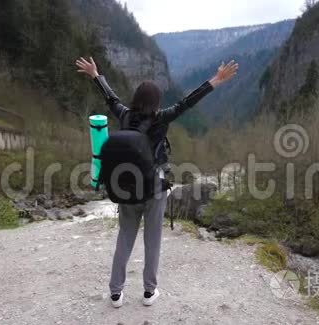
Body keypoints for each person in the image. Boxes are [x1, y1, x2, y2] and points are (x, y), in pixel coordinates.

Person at [75, 57, 239, 308]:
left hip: (125, 189)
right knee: (153, 241)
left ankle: (116, 293)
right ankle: (149, 293)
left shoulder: (124, 115)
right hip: (154, 190)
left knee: (125, 238)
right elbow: (187, 102)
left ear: (136, 98)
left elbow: (111, 98)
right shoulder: (162, 118)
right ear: (156, 102)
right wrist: (216, 80)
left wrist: (96, 75)